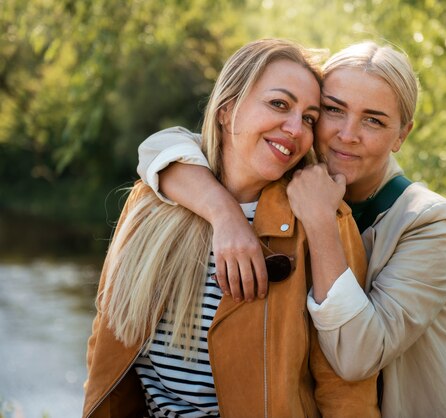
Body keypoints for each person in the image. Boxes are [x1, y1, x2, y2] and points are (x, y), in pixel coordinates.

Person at [136, 41, 446, 418]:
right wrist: (224, 214)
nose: (348, 134)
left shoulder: (431, 222)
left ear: (402, 135)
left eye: (373, 120)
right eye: (333, 110)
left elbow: (355, 357)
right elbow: (162, 147)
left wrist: (320, 220)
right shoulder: (276, 176)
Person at [82, 38, 379, 418]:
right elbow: (105, 339)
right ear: (227, 109)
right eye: (279, 104)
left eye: (308, 117)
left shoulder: (321, 219)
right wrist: (226, 216)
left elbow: (344, 387)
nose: (294, 128)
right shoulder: (150, 203)